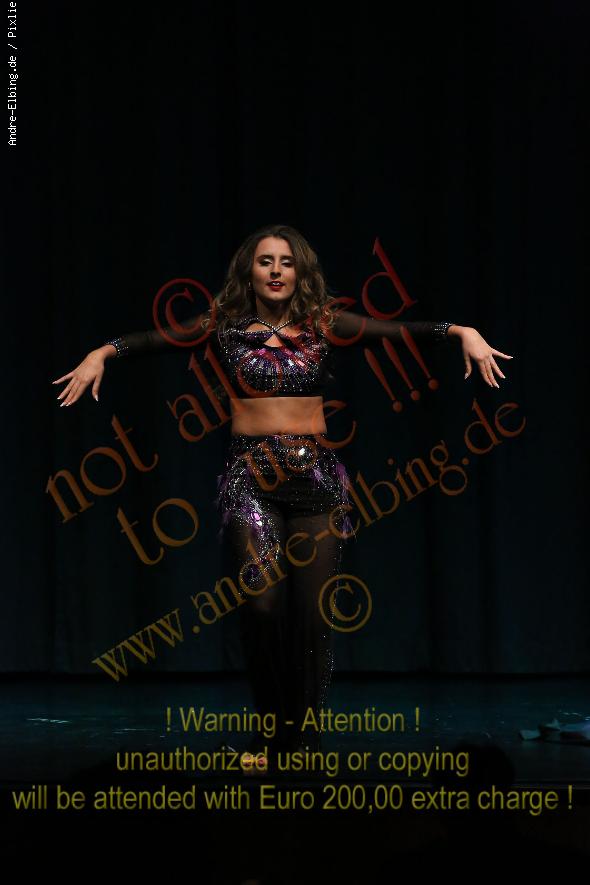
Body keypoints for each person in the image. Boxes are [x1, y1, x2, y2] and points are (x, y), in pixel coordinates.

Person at [52, 223, 512, 769]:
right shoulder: (223, 325)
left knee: (313, 617)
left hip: (316, 481)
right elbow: (156, 340)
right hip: (250, 480)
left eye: (286, 262)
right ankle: (271, 731)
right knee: (263, 604)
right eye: (265, 261)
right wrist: (102, 353)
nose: (275, 270)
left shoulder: (324, 324)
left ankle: (303, 740)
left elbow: (397, 332)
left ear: (300, 272)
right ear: (249, 271)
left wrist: (460, 331)